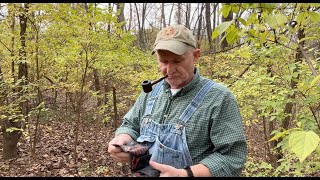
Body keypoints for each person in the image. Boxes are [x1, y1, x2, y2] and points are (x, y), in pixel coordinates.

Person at [107, 24, 248, 177]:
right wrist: (123, 139)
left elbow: (232, 156)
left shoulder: (218, 98)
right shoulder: (151, 93)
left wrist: (185, 174)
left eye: (177, 61)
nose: (169, 69)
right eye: (164, 61)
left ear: (195, 55)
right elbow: (130, 126)